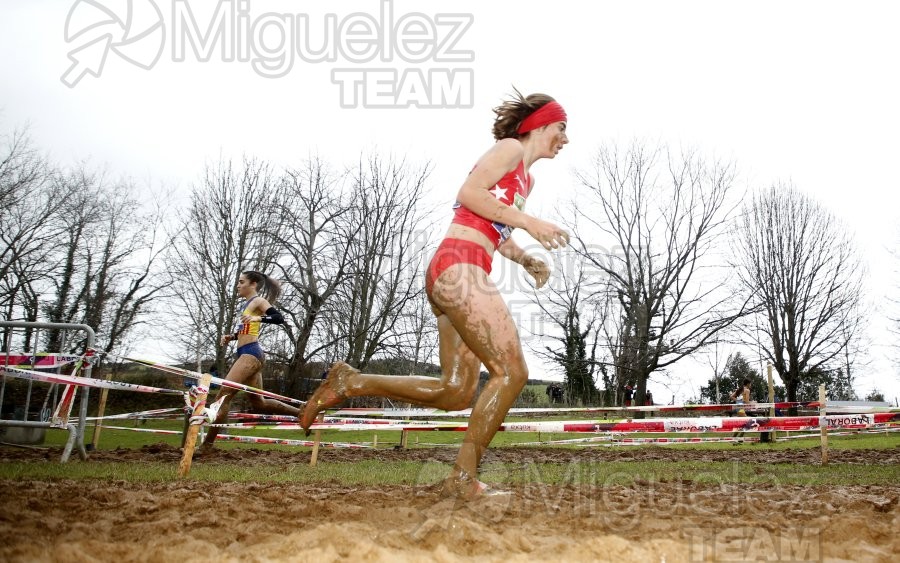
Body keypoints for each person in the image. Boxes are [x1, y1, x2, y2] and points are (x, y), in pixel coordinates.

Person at [299, 90, 570, 498]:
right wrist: (530, 221)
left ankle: (351, 382)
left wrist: (526, 259)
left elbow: (493, 227)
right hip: (458, 268)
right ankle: (462, 480)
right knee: (512, 373)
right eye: (561, 128)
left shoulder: (525, 178)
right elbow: (469, 194)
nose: (565, 139)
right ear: (540, 124)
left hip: (456, 270)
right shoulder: (511, 148)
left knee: (456, 391)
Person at [198, 270, 299, 451]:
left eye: (241, 281)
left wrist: (257, 317)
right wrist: (232, 337)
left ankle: (207, 446)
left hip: (251, 354)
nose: (238, 285)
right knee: (259, 403)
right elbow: (248, 330)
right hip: (247, 353)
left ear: (253, 284)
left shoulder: (258, 301)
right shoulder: (245, 305)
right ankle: (302, 412)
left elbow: (279, 318)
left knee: (222, 396)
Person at [730, 378, 752, 444]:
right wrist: (753, 403)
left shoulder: (740, 389)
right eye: (750, 384)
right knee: (748, 423)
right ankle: (737, 439)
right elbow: (747, 402)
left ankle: (735, 440)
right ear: (748, 384)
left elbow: (731, 396)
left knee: (742, 424)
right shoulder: (747, 390)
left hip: (738, 407)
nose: (751, 385)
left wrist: (739, 401)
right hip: (741, 408)